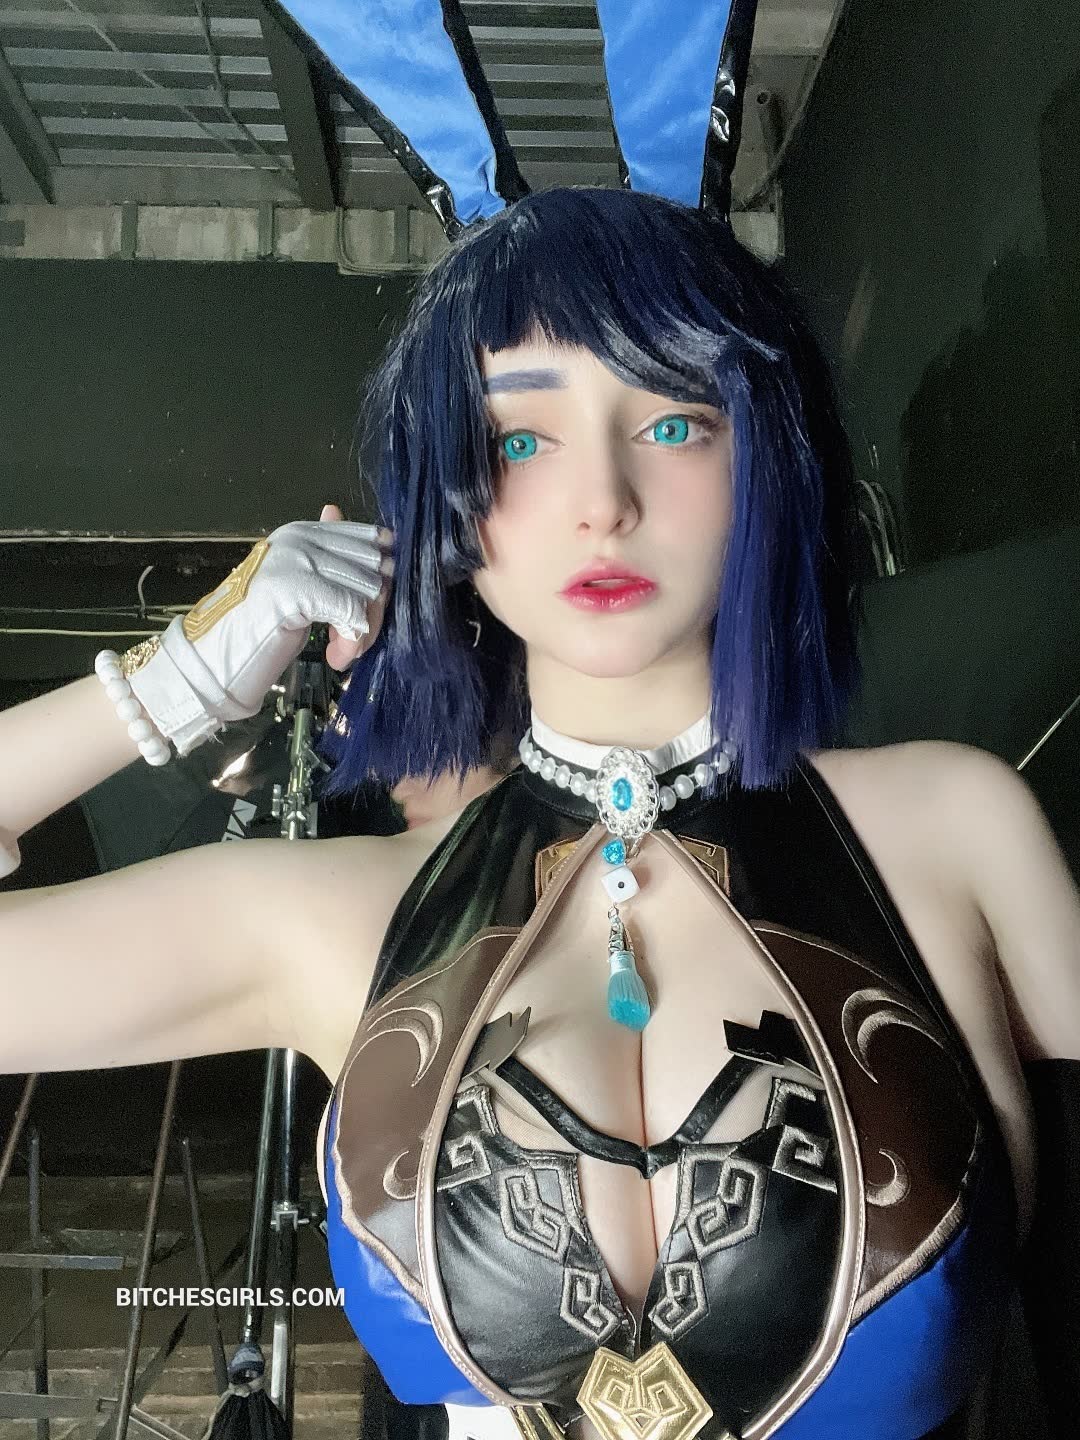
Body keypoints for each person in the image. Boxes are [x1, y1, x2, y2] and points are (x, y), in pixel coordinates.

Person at [2, 8, 1078, 1440]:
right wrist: (188, 668)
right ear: (444, 495)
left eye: (677, 420)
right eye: (519, 436)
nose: (602, 502)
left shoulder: (950, 830)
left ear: (770, 458)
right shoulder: (328, 925)